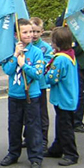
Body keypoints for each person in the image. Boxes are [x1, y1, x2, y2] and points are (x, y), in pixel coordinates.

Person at [0, 18, 45, 168]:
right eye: (25, 32)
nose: (29, 34)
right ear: (16, 34)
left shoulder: (37, 52)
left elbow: (38, 74)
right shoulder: (11, 50)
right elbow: (8, 70)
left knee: (33, 127)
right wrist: (15, 56)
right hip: (14, 95)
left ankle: (35, 157)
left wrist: (23, 65)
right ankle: (13, 153)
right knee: (14, 126)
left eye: (31, 31)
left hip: (31, 95)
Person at [43, 26, 79, 166]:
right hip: (69, 96)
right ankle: (57, 148)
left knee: (65, 127)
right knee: (61, 124)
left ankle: (71, 154)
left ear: (56, 43)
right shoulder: (70, 54)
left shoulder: (59, 59)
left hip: (63, 98)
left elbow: (51, 78)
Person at [29, 17, 53, 150]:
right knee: (30, 113)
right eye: (31, 31)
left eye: (37, 31)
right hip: (29, 86)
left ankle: (43, 139)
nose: (34, 34)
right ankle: (29, 137)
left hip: (40, 85)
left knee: (42, 113)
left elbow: (46, 64)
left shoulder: (46, 48)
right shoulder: (26, 46)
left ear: (42, 32)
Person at [73, 41, 84, 133]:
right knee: (80, 93)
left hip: (82, 65)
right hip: (77, 66)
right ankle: (76, 121)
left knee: (82, 92)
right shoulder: (75, 33)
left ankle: (78, 119)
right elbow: (73, 50)